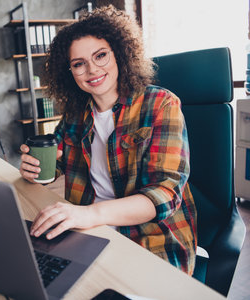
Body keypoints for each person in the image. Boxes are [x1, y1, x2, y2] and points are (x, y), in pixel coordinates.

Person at [19, 5, 197, 275]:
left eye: (100, 56)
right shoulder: (76, 114)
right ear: (70, 72)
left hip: (152, 241)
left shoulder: (161, 103)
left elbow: (165, 195)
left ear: (120, 54)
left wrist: (90, 214)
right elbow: (55, 165)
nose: (92, 70)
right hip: (89, 230)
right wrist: (35, 169)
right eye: (79, 64)